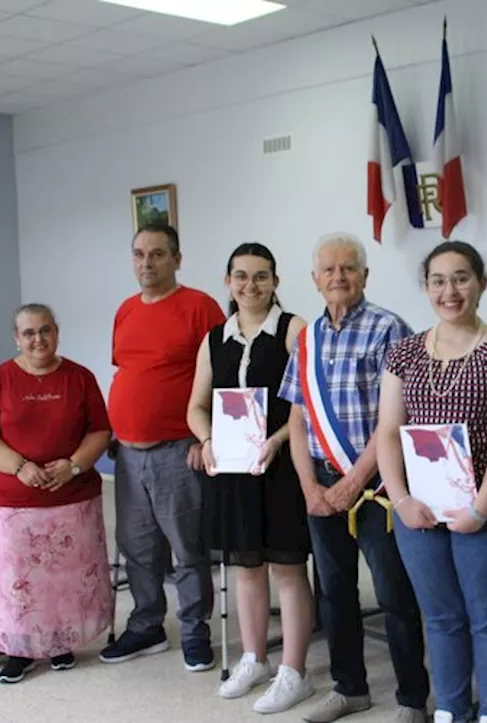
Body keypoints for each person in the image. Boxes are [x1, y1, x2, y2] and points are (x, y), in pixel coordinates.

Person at [377, 241, 487, 723]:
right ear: (426, 288)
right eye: (439, 280)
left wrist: (480, 510)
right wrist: (400, 500)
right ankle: (449, 709)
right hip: (419, 512)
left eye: (462, 278)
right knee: (441, 618)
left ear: (482, 283)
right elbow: (386, 432)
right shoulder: (403, 354)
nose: (451, 290)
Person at [278, 231, 430, 723]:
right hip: (320, 485)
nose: (338, 277)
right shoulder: (307, 339)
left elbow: (398, 418)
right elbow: (298, 419)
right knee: (335, 591)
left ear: (365, 274)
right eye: (329, 269)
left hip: (379, 486)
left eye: (349, 268)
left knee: (394, 594)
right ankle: (350, 688)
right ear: (315, 280)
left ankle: (412, 698)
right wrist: (309, 487)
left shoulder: (390, 329)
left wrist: (353, 483)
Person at [185, 243, 316, 712]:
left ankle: (294, 671)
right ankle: (255, 657)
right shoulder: (215, 337)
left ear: (276, 282)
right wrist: (206, 440)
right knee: (246, 566)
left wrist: (278, 438)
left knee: (287, 567)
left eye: (261, 277)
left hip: (280, 464)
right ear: (228, 281)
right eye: (241, 276)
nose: (250, 285)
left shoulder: (292, 328)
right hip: (234, 467)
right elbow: (196, 406)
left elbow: (306, 402)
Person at [101, 223, 226, 672]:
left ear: (177, 258)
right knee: (138, 547)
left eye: (156, 254)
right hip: (127, 454)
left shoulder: (199, 307)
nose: (146, 263)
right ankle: (147, 624)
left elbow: (223, 376)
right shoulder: (125, 310)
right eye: (138, 254)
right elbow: (130, 373)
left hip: (178, 450)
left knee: (186, 550)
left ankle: (195, 632)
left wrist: (204, 436)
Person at [0, 304, 115, 684]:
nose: (38, 339)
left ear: (57, 333)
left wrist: (74, 465)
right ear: (16, 338)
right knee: (16, 581)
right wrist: (20, 466)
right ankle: (19, 650)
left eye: (45, 330)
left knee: (64, 581)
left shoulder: (79, 377)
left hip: (73, 498)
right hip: (12, 503)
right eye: (29, 333)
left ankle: (62, 643)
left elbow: (100, 430)